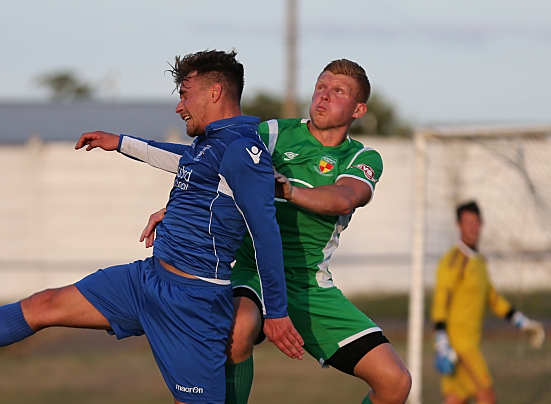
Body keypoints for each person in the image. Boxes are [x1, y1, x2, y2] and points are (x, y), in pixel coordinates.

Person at [0, 49, 304, 404]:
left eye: (185, 93)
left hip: (191, 303)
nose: (179, 104)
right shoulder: (209, 146)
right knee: (44, 305)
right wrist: (119, 142)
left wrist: (278, 312)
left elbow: (264, 231)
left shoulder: (241, 150)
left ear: (215, 91)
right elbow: (176, 158)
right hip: (146, 279)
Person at [141, 59, 412, 404]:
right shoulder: (272, 133)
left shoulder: (362, 156)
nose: (324, 97)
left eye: (338, 92)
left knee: (395, 381)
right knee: (238, 331)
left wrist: (290, 191)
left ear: (359, 109)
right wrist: (176, 211)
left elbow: (345, 198)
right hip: (250, 269)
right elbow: (210, 167)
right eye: (320, 87)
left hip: (308, 284)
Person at [431, 201, 545, 404]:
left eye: (476, 222)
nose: (472, 228)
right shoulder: (453, 261)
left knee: (456, 399)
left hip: (470, 342)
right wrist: (442, 342)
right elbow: (440, 303)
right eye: (467, 223)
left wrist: (522, 323)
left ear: (481, 224)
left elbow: (492, 298)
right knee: (487, 395)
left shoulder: (479, 260)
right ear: (459, 226)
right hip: (459, 347)